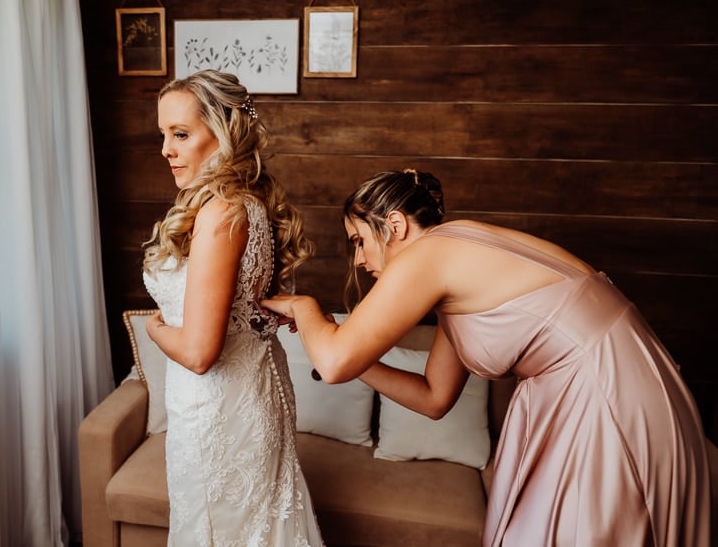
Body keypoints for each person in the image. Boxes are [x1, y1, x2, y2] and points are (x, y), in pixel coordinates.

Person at [261, 168, 710, 546]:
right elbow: (435, 398)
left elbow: (335, 362)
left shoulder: (431, 253)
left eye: (358, 240)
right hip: (598, 385)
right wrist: (358, 357)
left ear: (395, 226)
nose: (357, 259)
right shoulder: (454, 269)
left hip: (606, 394)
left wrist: (305, 308)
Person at [142, 69, 325, 546]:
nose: (167, 149)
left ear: (222, 133)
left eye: (181, 134)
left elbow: (202, 353)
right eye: (163, 134)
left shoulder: (221, 211)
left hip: (218, 407)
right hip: (241, 393)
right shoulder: (246, 203)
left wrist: (155, 331)